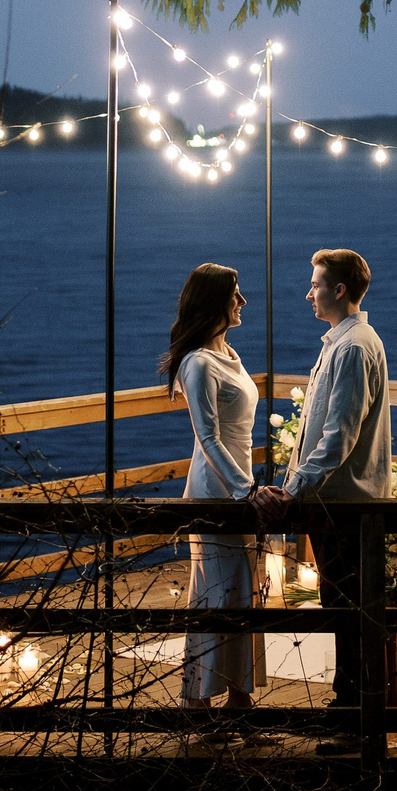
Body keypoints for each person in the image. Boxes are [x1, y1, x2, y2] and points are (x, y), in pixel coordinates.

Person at [252, 247, 389, 735]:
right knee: (344, 605)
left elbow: (339, 435)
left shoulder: (352, 348)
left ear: (340, 290)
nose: (307, 292)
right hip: (340, 501)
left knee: (349, 607)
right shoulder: (344, 342)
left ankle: (356, 713)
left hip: (346, 504)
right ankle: (350, 706)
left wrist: (293, 488)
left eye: (315, 284)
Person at [159, 262, 257, 709]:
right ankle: (201, 700)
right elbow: (208, 437)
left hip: (240, 482)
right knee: (218, 592)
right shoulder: (198, 363)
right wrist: (243, 491)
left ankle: (235, 697)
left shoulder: (230, 356)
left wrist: (248, 486)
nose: (242, 302)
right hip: (216, 489)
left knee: (240, 590)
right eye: (235, 294)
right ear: (214, 301)